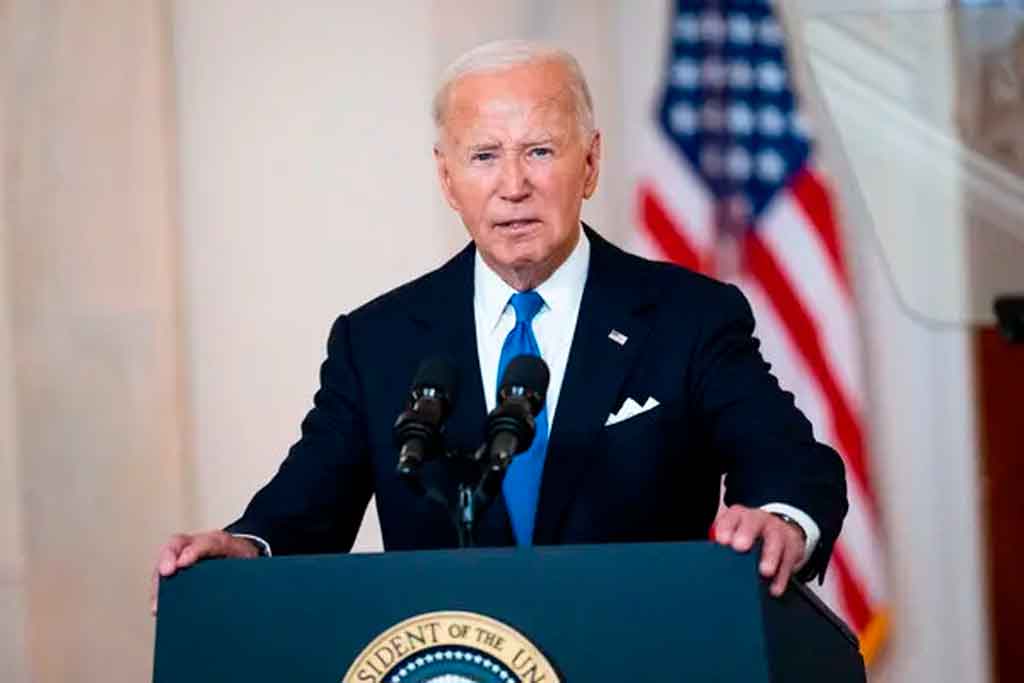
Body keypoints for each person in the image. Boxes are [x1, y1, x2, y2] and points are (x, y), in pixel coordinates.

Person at [151, 40, 846, 613]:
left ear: (590, 162)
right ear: (447, 178)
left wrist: (781, 519)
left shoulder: (688, 316)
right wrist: (245, 546)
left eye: (539, 150)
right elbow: (305, 507)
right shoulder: (377, 341)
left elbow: (792, 464)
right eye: (484, 156)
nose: (513, 185)